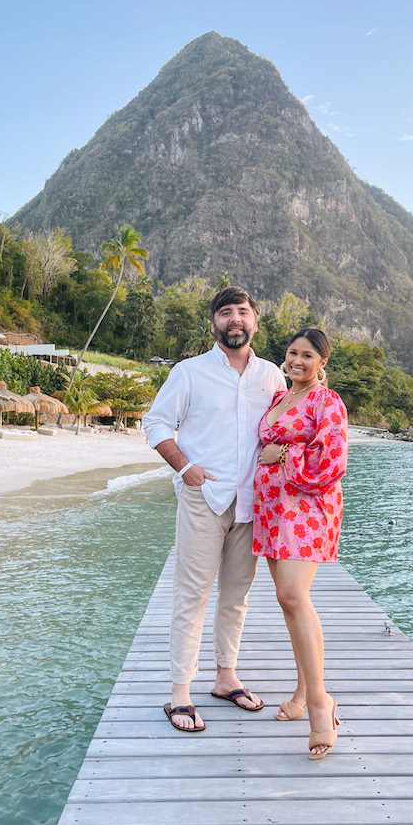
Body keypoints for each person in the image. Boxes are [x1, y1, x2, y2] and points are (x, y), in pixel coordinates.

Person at [143, 286, 286, 731]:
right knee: (192, 595)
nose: (234, 320)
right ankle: (180, 694)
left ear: (255, 321)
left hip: (252, 501)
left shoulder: (272, 377)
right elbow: (155, 422)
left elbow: (285, 432)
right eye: (225, 313)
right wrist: (185, 468)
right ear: (214, 324)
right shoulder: (189, 372)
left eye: (242, 312)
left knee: (237, 597)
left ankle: (226, 678)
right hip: (204, 498)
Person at [253, 328, 348, 758]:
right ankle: (300, 692)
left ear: (322, 362)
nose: (297, 361)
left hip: (306, 507)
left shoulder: (327, 402)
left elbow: (332, 459)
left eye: (307, 355)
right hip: (273, 508)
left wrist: (282, 456)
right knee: (287, 600)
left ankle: (320, 704)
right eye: (292, 353)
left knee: (294, 596)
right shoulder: (279, 399)